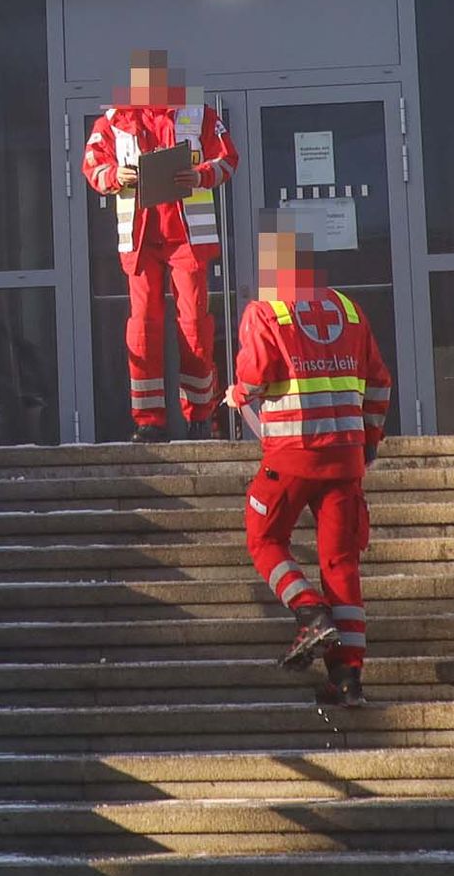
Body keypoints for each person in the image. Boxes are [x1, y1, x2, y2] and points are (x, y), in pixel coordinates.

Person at [223, 227, 393, 704]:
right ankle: (347, 679)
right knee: (342, 564)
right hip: (345, 460)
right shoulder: (351, 309)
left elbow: (256, 378)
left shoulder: (265, 312)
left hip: (292, 456)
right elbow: (380, 383)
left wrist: (237, 395)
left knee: (264, 537)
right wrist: (370, 440)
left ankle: (310, 614)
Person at [79, 51, 237, 438]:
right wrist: (118, 175)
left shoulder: (198, 115)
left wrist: (199, 175)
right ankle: (148, 422)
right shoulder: (113, 121)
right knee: (143, 329)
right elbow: (92, 168)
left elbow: (228, 160)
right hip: (141, 237)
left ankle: (201, 417)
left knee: (195, 328)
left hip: (187, 237)